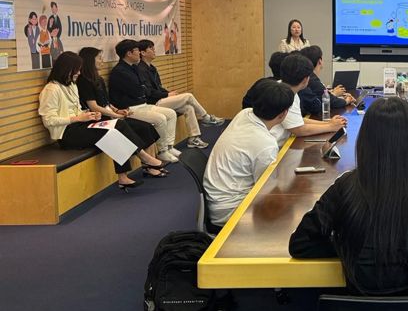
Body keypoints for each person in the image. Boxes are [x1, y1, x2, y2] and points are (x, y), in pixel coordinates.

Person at [289, 97, 408, 295]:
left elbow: (301, 244)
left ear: (365, 142)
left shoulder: (345, 187)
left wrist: (348, 243)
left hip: (357, 308)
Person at [38, 52, 170, 190]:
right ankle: (143, 158)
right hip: (67, 134)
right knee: (112, 131)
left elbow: (77, 110)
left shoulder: (71, 85)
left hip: (80, 125)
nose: (79, 73)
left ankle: (124, 176)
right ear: (66, 69)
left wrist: (88, 115)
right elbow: (49, 120)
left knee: (118, 126)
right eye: (76, 70)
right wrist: (77, 118)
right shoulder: (51, 89)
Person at [204, 80, 294, 229]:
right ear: (284, 113)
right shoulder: (265, 145)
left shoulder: (244, 114)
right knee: (290, 217)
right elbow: (268, 190)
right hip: (232, 209)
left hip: (218, 199)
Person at [75, 47, 167, 178]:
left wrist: (117, 110)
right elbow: (94, 106)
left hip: (110, 115)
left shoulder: (98, 79)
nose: (102, 61)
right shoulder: (83, 81)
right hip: (100, 118)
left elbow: (106, 103)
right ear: (90, 60)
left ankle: (149, 165)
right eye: (99, 58)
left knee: (146, 127)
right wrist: (116, 115)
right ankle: (145, 161)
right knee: (120, 131)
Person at [137, 39, 224, 149]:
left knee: (188, 108)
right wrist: (167, 95)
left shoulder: (152, 68)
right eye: (151, 48)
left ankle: (193, 138)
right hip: (153, 103)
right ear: (143, 53)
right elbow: (149, 92)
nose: (154, 50)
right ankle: (206, 117)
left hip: (160, 99)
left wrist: (168, 93)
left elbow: (158, 87)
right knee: (188, 96)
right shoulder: (140, 69)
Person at [108, 39, 180, 163]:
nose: (139, 53)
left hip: (142, 104)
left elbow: (143, 88)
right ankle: (162, 151)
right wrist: (142, 89)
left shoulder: (134, 67)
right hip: (129, 109)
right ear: (129, 53)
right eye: (136, 50)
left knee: (171, 114)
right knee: (160, 119)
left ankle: (169, 147)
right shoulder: (119, 71)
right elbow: (138, 90)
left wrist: (142, 88)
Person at [268, 53, 347, 145]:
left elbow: (298, 120)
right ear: (305, 79)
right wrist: (331, 127)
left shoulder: (286, 88)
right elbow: (299, 130)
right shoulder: (284, 94)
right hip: (275, 147)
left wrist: (329, 123)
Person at [298, 45, 354, 115]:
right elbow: (330, 101)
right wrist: (347, 101)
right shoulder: (311, 78)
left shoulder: (309, 77)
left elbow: (320, 95)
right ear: (320, 61)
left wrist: (332, 93)